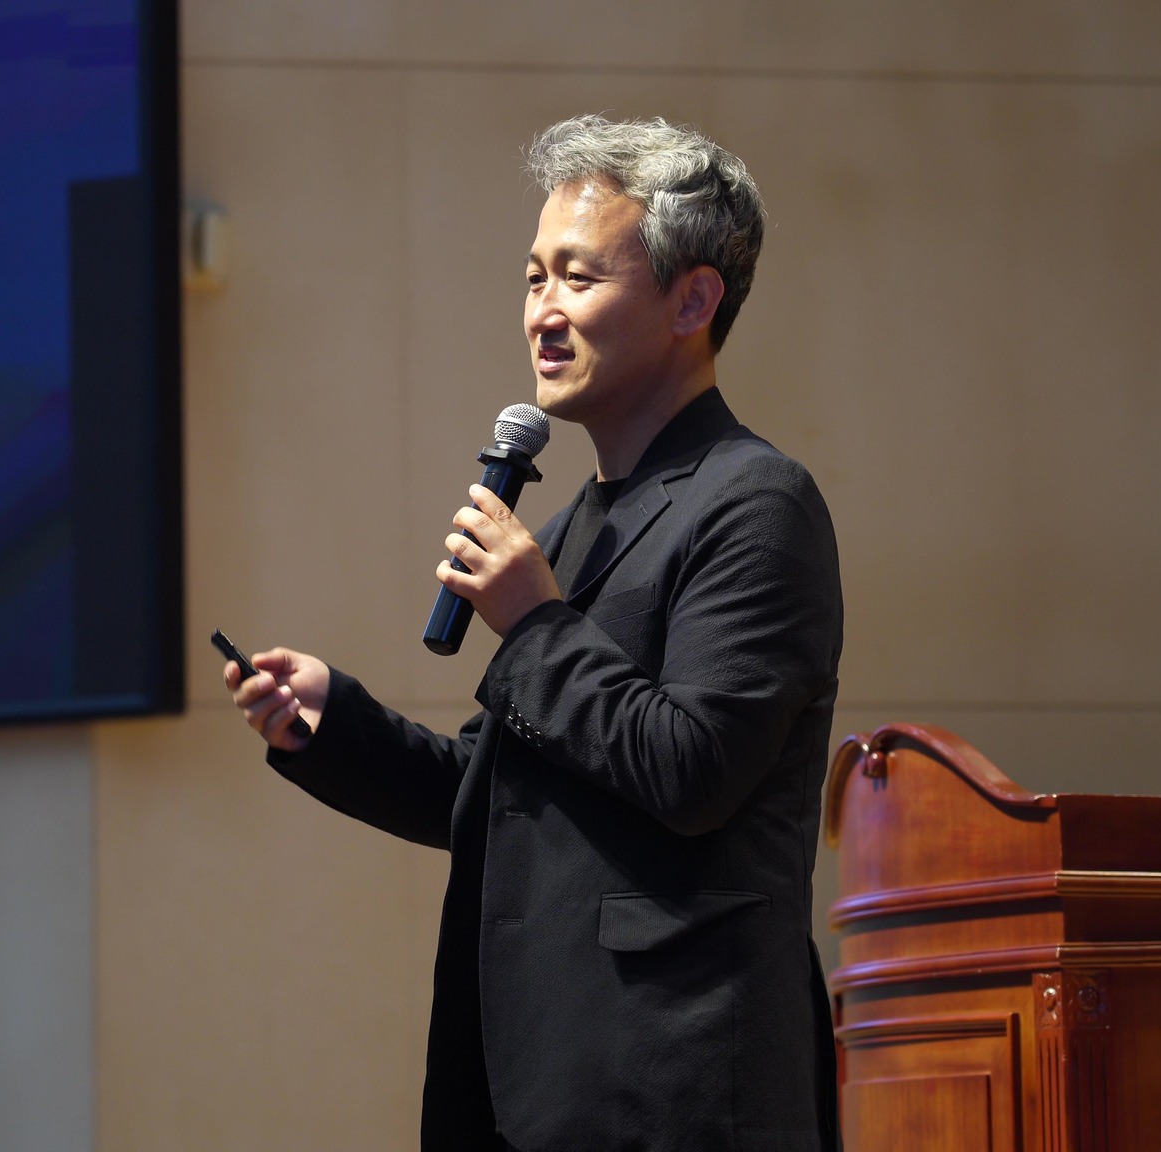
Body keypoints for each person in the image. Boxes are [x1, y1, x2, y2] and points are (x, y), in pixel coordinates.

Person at [226, 115, 844, 1152]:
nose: (542, 313)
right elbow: (495, 798)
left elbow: (695, 769)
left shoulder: (755, 503)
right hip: (536, 1079)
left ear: (692, 301)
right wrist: (334, 724)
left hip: (677, 1084)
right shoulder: (563, 533)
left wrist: (534, 621)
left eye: (577, 278)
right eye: (531, 278)